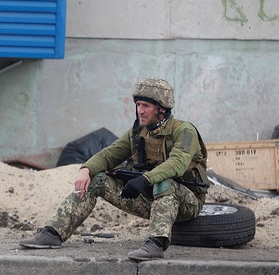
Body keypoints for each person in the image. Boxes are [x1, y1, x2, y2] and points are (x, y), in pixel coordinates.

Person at [19, 78, 209, 261]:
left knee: (165, 183)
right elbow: (110, 154)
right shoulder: (139, 131)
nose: (140, 111)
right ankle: (54, 233)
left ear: (161, 109)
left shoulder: (183, 131)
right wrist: (86, 169)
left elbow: (177, 163)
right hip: (150, 198)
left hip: (186, 202)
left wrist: (145, 179)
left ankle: (155, 244)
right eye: (138, 105)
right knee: (96, 179)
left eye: (146, 106)